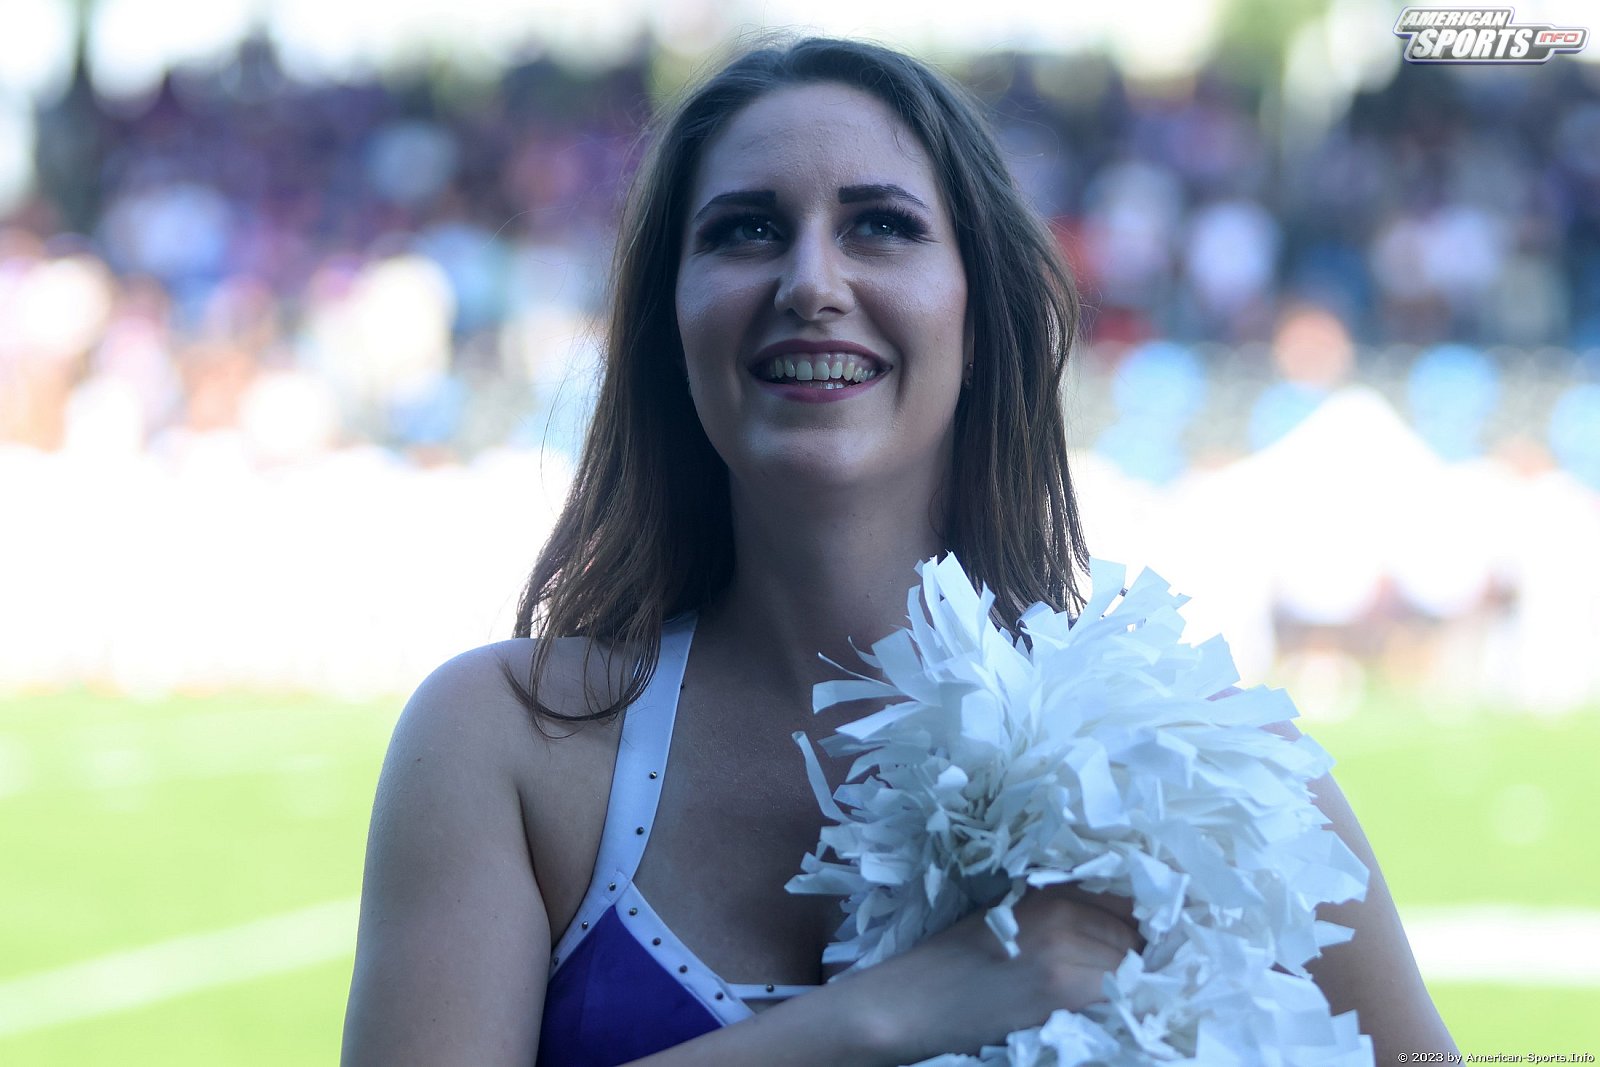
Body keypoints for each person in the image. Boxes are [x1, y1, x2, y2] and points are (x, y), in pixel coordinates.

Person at [341, 37, 1455, 1066]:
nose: (811, 283)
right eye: (745, 230)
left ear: (978, 305)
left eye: (880, 224)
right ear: (667, 319)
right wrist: (889, 1013)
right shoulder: (507, 739)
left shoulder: (1212, 778)